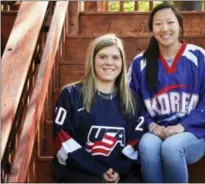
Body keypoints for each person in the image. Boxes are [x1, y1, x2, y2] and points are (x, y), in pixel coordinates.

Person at [128, 2, 205, 183]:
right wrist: (152, 126)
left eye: (170, 22)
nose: (164, 28)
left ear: (179, 25)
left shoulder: (199, 58)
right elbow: (132, 106)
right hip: (155, 131)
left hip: (193, 133)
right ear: (152, 29)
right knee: (146, 145)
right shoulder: (140, 63)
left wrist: (181, 127)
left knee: (171, 147)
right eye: (158, 24)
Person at [51, 33, 145, 183]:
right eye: (102, 57)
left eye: (115, 57)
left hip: (120, 174)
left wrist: (117, 170)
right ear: (92, 60)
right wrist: (99, 170)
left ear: (122, 63)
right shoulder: (71, 95)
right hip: (79, 174)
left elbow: (136, 141)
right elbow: (62, 141)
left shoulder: (133, 100)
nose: (109, 62)